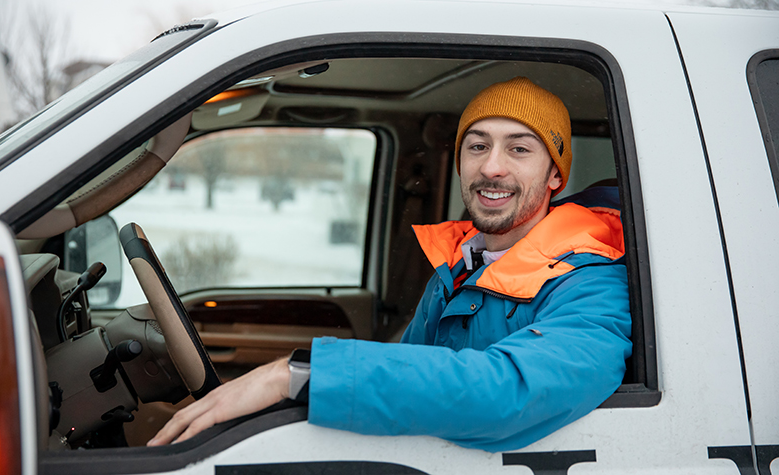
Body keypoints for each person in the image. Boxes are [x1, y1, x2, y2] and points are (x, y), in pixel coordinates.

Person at [148, 77, 632, 452]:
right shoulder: (461, 265)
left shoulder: (593, 280)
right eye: (477, 145)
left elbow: (510, 392)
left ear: (554, 176)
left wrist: (295, 375)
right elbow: (413, 371)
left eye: (519, 149)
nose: (492, 167)